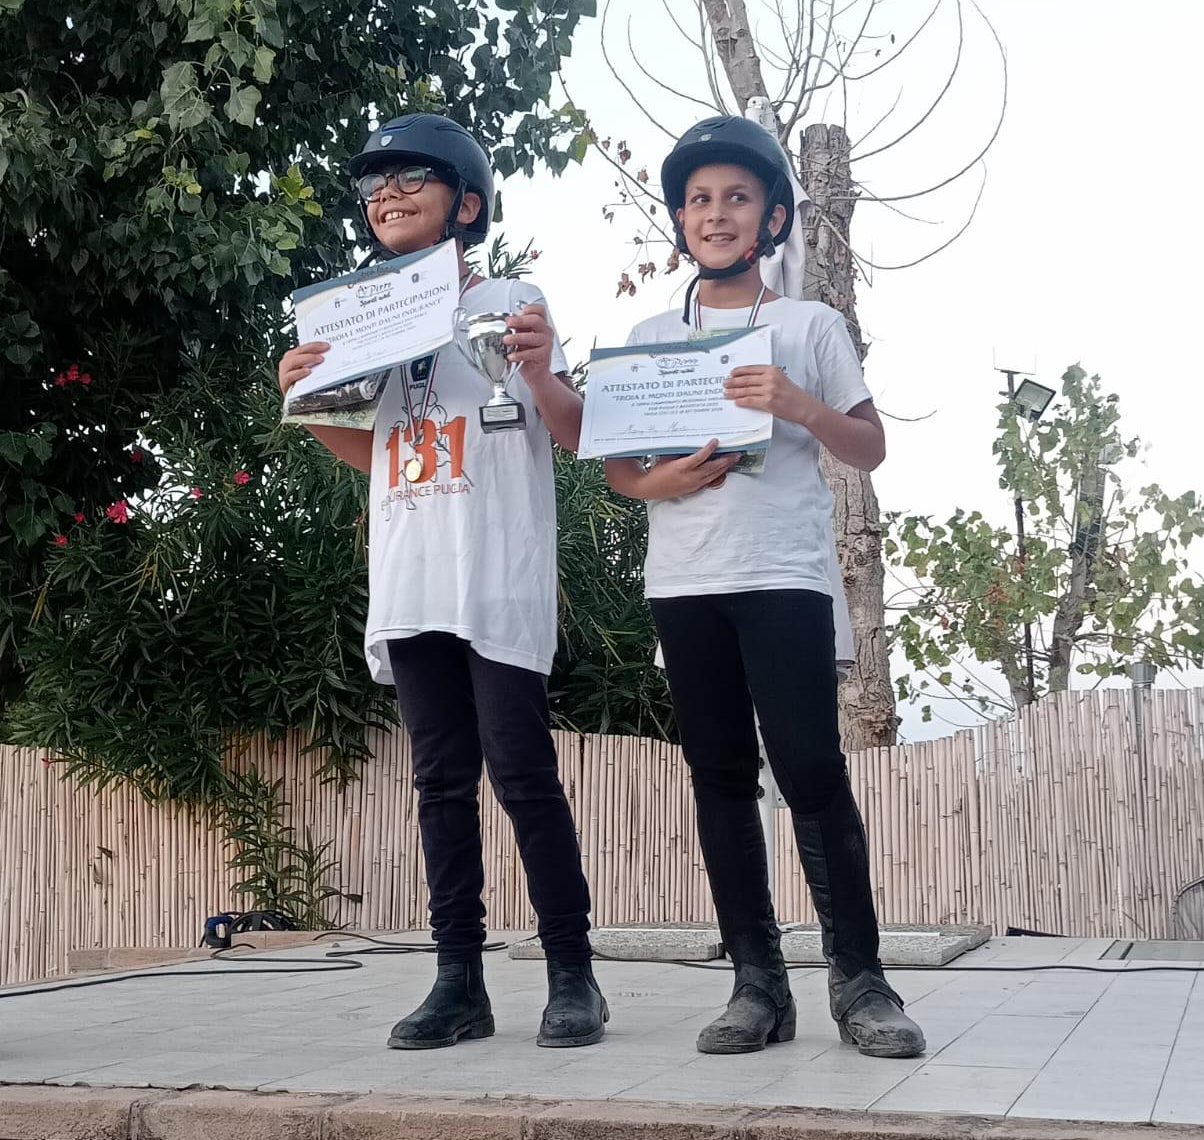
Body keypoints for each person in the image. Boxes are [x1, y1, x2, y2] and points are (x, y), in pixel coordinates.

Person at [277, 112, 607, 1051]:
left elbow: (572, 434)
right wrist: (302, 395)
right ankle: (458, 979)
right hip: (412, 576)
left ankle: (573, 973)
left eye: (410, 177)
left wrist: (539, 368)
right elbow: (381, 453)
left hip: (494, 574)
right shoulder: (363, 319)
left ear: (466, 203)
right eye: (373, 184)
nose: (386, 194)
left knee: (523, 773)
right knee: (438, 783)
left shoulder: (511, 299)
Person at [605, 115, 924, 1060]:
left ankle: (861, 982)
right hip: (684, 581)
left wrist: (796, 403)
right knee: (716, 777)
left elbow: (869, 446)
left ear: (772, 216)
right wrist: (661, 481)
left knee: (811, 770)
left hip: (783, 573)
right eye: (698, 199)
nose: (716, 213)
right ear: (680, 219)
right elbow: (621, 470)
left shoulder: (808, 325)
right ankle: (757, 984)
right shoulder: (649, 336)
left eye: (737, 197)